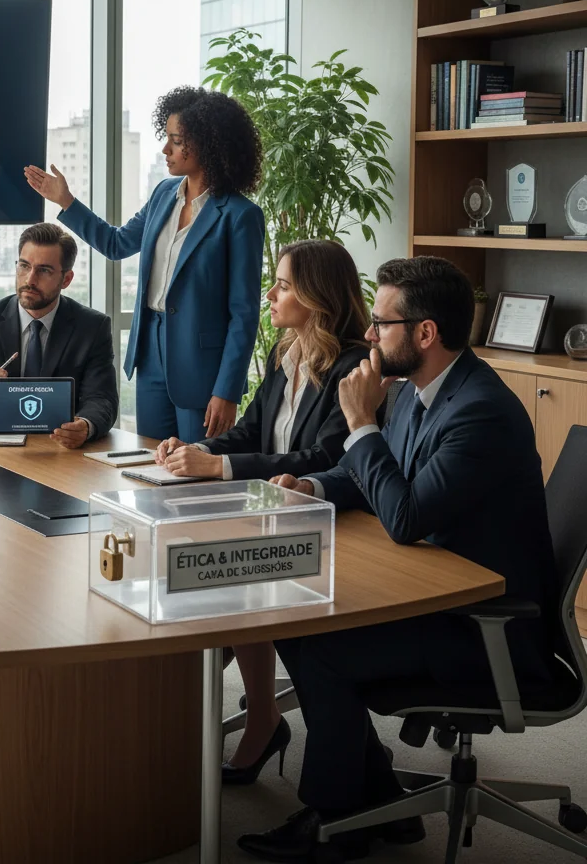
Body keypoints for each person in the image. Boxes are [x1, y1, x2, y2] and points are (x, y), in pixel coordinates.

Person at [236, 256, 559, 862]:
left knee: (327, 648)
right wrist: (318, 486)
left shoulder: (479, 412)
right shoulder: (417, 389)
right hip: (438, 592)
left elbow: (405, 517)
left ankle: (337, 822)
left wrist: (360, 422)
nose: (369, 334)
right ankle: (378, 797)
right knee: (294, 623)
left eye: (381, 323)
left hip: (490, 627)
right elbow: (377, 477)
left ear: (425, 334)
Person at [154, 239, 371, 785]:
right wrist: (198, 452)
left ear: (318, 297)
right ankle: (260, 715)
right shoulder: (285, 353)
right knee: (203, 571)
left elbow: (325, 456)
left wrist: (219, 471)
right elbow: (253, 432)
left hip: (328, 524)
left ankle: (266, 721)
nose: (269, 294)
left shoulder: (353, 368)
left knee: (228, 578)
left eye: (283, 284)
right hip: (272, 510)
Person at [25, 86, 265, 443]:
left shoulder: (240, 216)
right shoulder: (162, 195)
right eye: (166, 138)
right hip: (151, 351)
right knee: (150, 462)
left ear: (208, 143)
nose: (166, 149)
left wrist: (227, 390)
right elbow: (116, 243)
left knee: (194, 470)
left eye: (176, 140)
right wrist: (66, 202)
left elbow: (244, 314)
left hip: (202, 367)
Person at [0, 222, 118, 449]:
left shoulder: (92, 327)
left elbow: (102, 401)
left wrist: (86, 425)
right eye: (24, 266)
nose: (30, 280)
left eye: (44, 270)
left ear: (67, 279)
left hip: (61, 454)